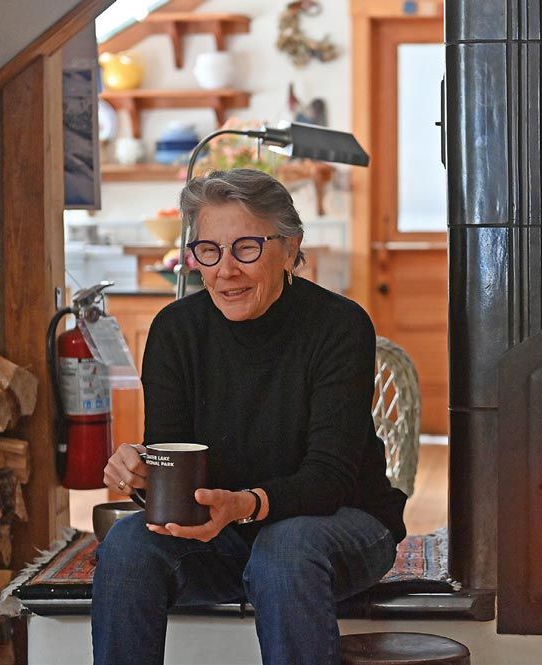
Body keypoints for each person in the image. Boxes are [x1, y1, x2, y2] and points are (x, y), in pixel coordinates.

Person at [91, 168, 407, 665]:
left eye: (246, 248)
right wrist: (141, 470)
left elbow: (329, 479)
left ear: (290, 248)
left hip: (342, 524)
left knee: (285, 547)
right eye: (208, 250)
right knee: (128, 545)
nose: (225, 270)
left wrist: (244, 504)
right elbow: (176, 461)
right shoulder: (175, 331)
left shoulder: (339, 326)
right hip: (223, 535)